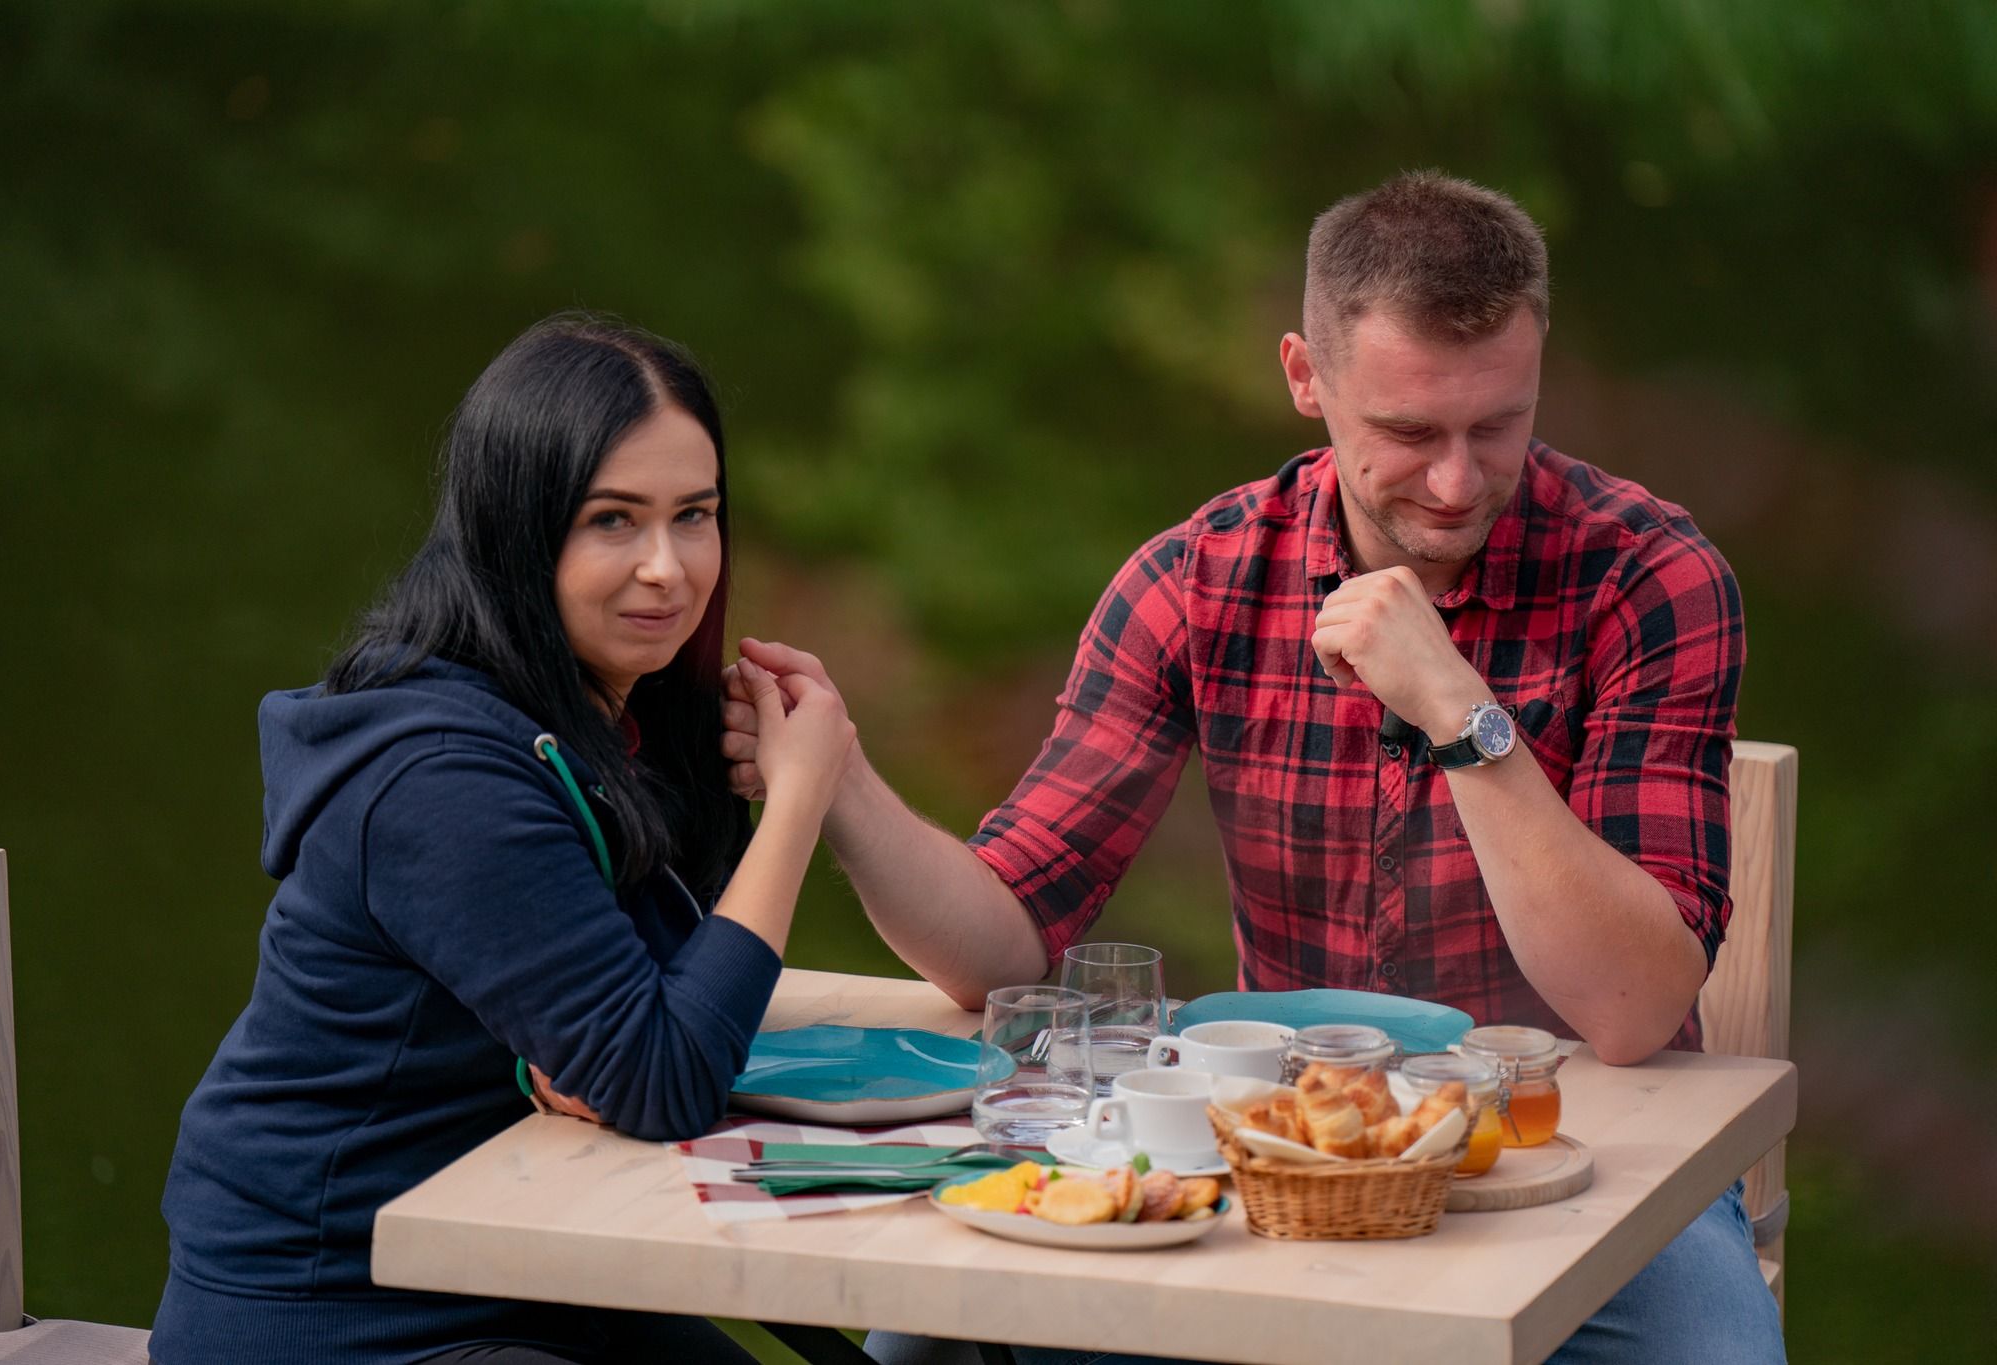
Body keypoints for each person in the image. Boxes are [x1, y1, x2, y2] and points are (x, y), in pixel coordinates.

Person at [722, 173, 1784, 1363]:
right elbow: (1000, 945)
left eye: (1497, 425)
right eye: (1405, 433)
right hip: (1273, 1151)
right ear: (1303, 377)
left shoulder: (1646, 575)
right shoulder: (1197, 578)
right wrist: (841, 783)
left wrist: (1457, 713)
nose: (1453, 480)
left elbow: (1631, 1013)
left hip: (1578, 1150)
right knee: (930, 1336)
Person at [150, 315, 855, 1365]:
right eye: (612, 520)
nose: (667, 568)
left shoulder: (619, 714)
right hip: (329, 1307)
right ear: (516, 530)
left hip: (521, 1267)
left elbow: (662, 1021)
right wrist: (799, 803)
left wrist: (575, 1059)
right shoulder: (438, 774)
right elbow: (664, 1076)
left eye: (694, 516)